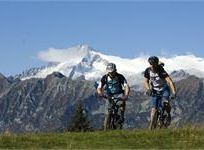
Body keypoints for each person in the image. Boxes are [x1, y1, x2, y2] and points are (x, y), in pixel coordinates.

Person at [144, 56, 176, 129]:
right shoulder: (148, 71)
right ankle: (151, 126)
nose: (153, 66)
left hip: (164, 89)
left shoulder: (161, 71)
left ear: (156, 64)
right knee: (153, 109)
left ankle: (168, 114)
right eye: (151, 64)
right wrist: (148, 89)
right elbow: (145, 81)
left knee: (166, 103)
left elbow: (170, 81)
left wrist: (174, 92)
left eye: (154, 64)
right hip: (155, 90)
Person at [97, 63, 130, 131]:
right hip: (109, 95)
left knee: (121, 104)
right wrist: (100, 93)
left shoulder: (120, 77)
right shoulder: (105, 78)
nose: (111, 74)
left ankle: (121, 116)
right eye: (109, 72)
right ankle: (106, 127)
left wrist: (126, 95)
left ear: (115, 70)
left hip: (119, 94)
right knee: (107, 112)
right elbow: (99, 87)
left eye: (112, 72)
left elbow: (126, 86)